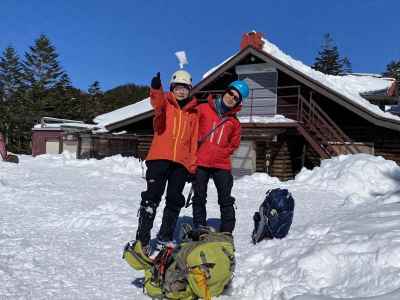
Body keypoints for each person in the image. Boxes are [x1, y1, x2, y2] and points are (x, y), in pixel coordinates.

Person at [136, 70, 199, 258]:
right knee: (151, 197)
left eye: (185, 88)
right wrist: (156, 88)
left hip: (180, 163)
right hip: (159, 158)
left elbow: (193, 141)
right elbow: (156, 100)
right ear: (172, 88)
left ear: (189, 90)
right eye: (178, 88)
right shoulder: (164, 103)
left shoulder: (193, 114)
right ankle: (143, 239)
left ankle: (165, 237)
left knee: (174, 199)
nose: (181, 92)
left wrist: (192, 166)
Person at [192, 80, 249, 234]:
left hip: (221, 164)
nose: (231, 98)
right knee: (199, 197)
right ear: (226, 91)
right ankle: (199, 227)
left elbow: (234, 144)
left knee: (225, 200)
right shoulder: (203, 109)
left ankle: (227, 232)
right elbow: (191, 128)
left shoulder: (234, 123)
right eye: (231, 93)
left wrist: (222, 152)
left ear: (238, 103)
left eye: (236, 98)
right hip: (201, 161)